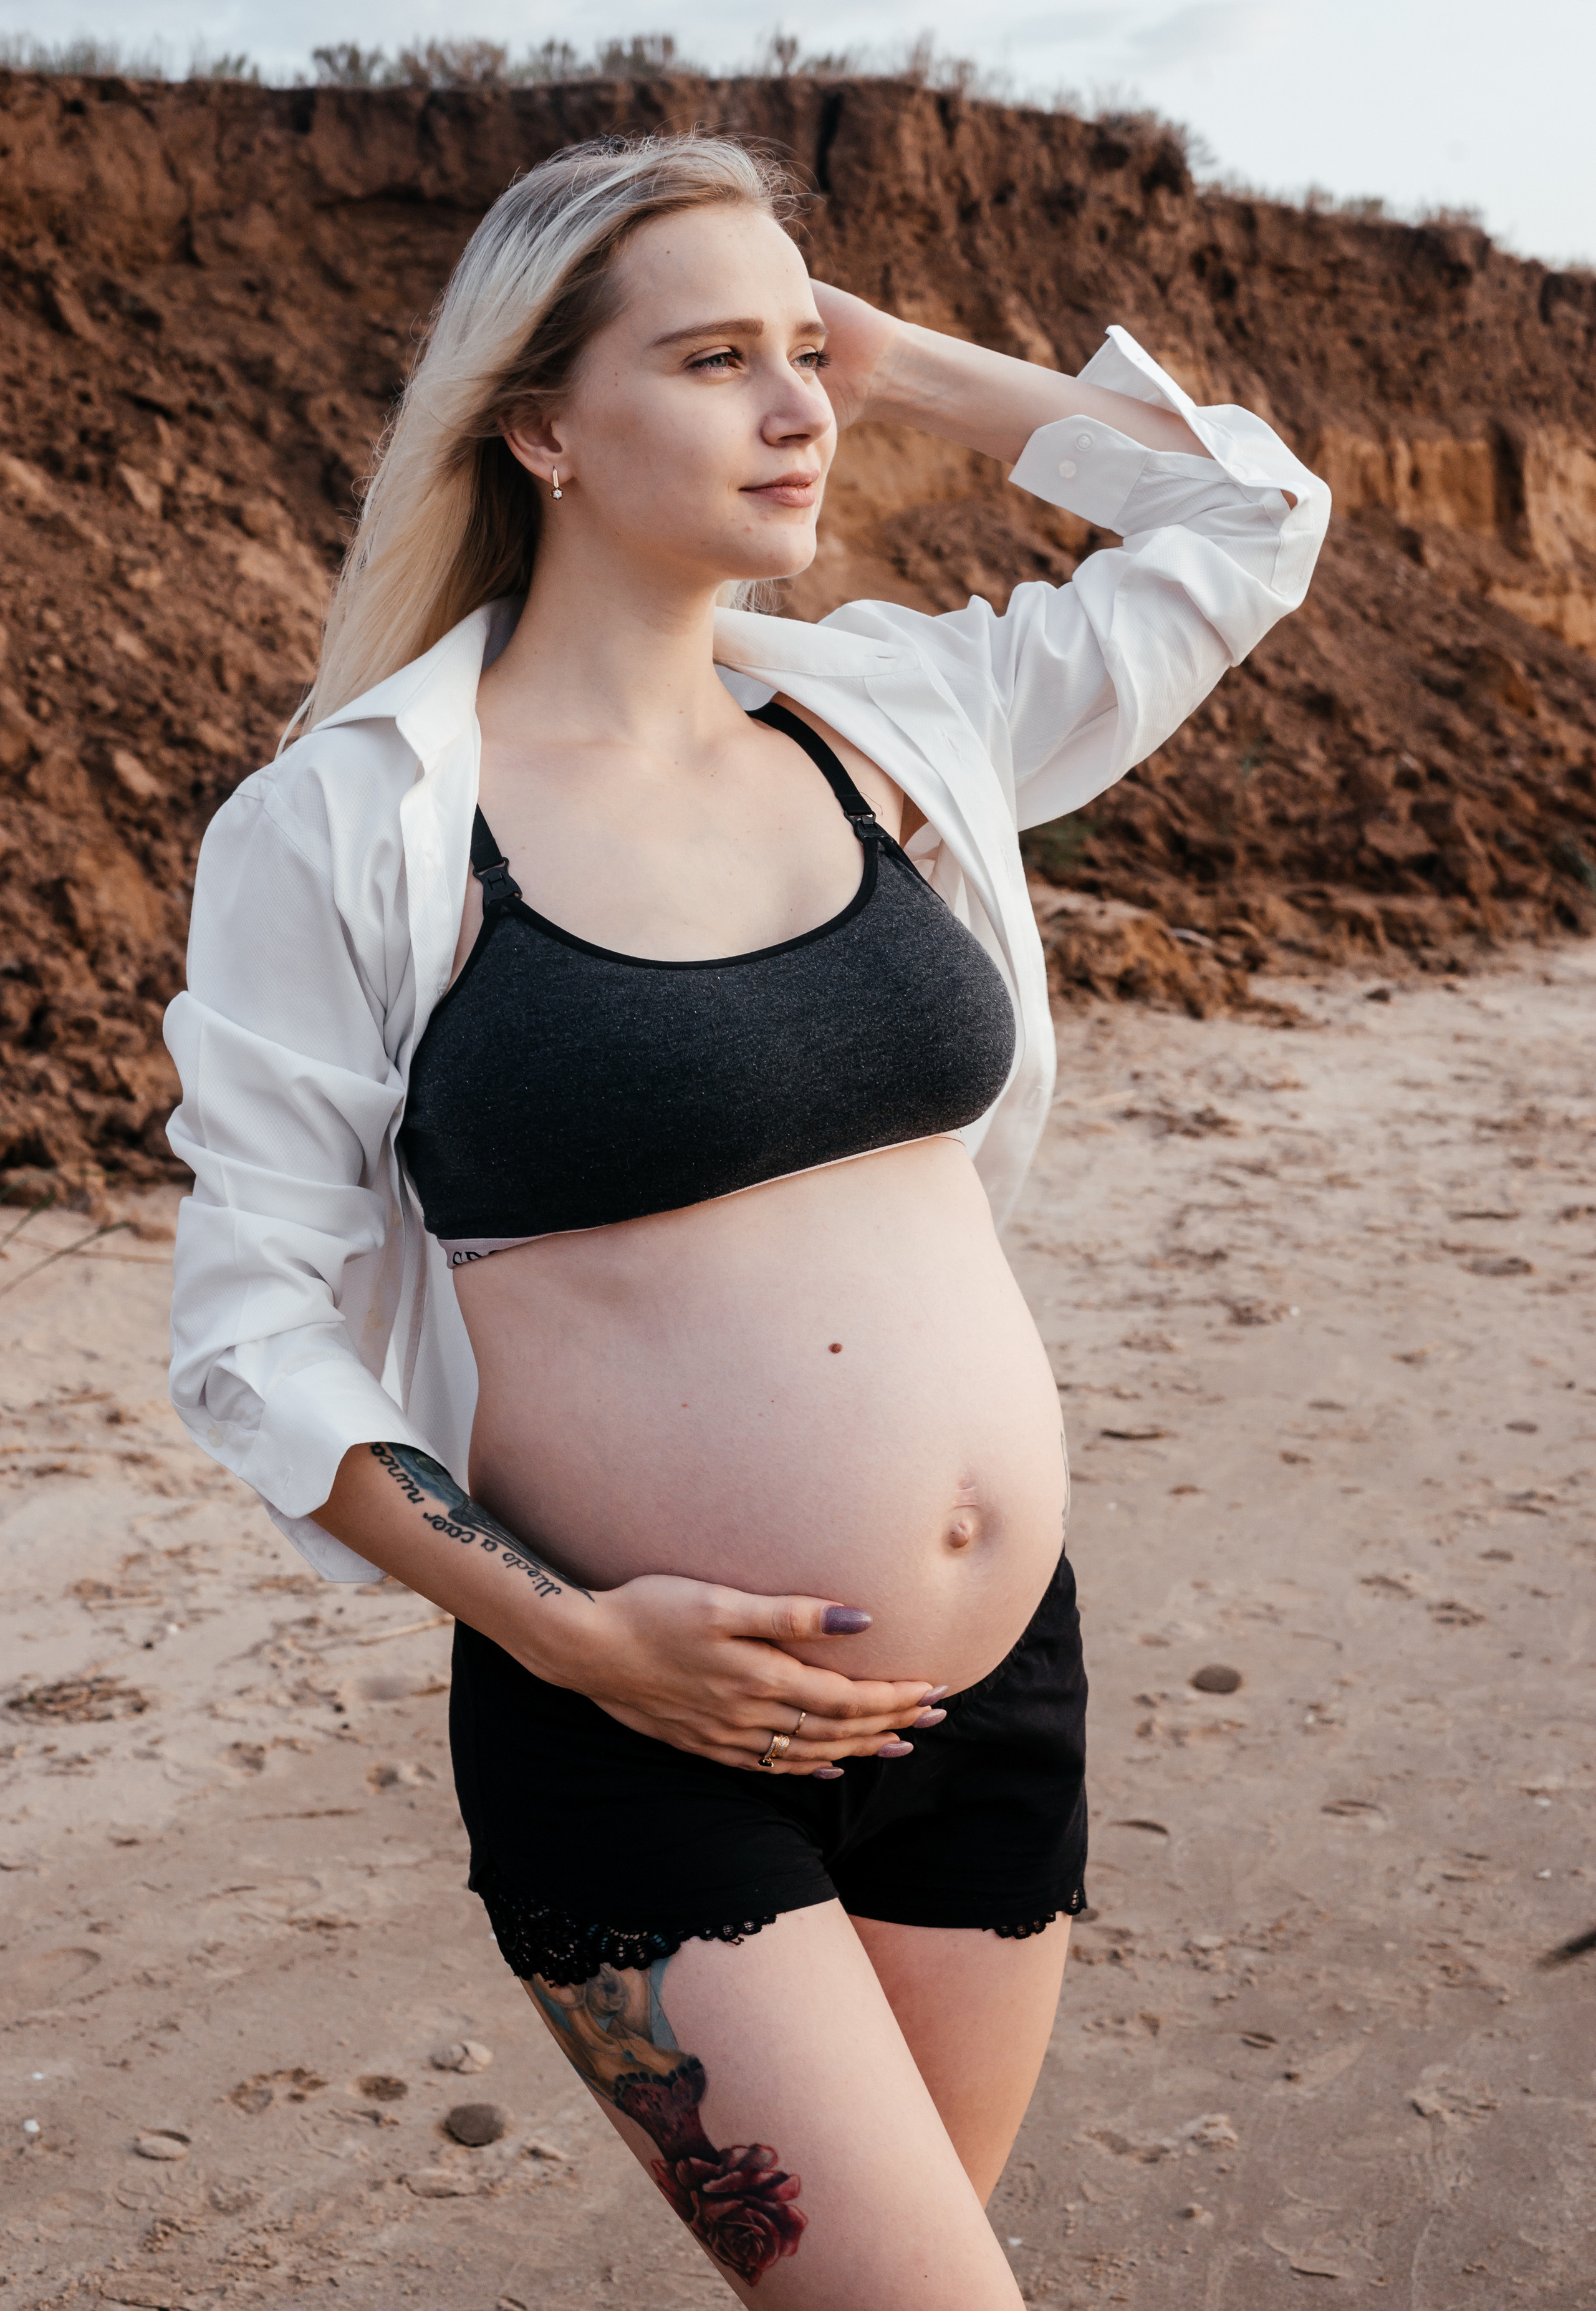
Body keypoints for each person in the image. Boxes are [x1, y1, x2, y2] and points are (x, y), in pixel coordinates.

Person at [165, 132, 1329, 2306]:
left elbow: (1248, 516)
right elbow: (250, 1327)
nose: (796, 408)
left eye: (806, 355)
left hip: (991, 1707)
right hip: (633, 1729)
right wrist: (567, 1633)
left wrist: (902, 363)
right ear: (537, 426)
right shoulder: (354, 821)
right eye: (716, 361)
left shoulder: (888, 720)